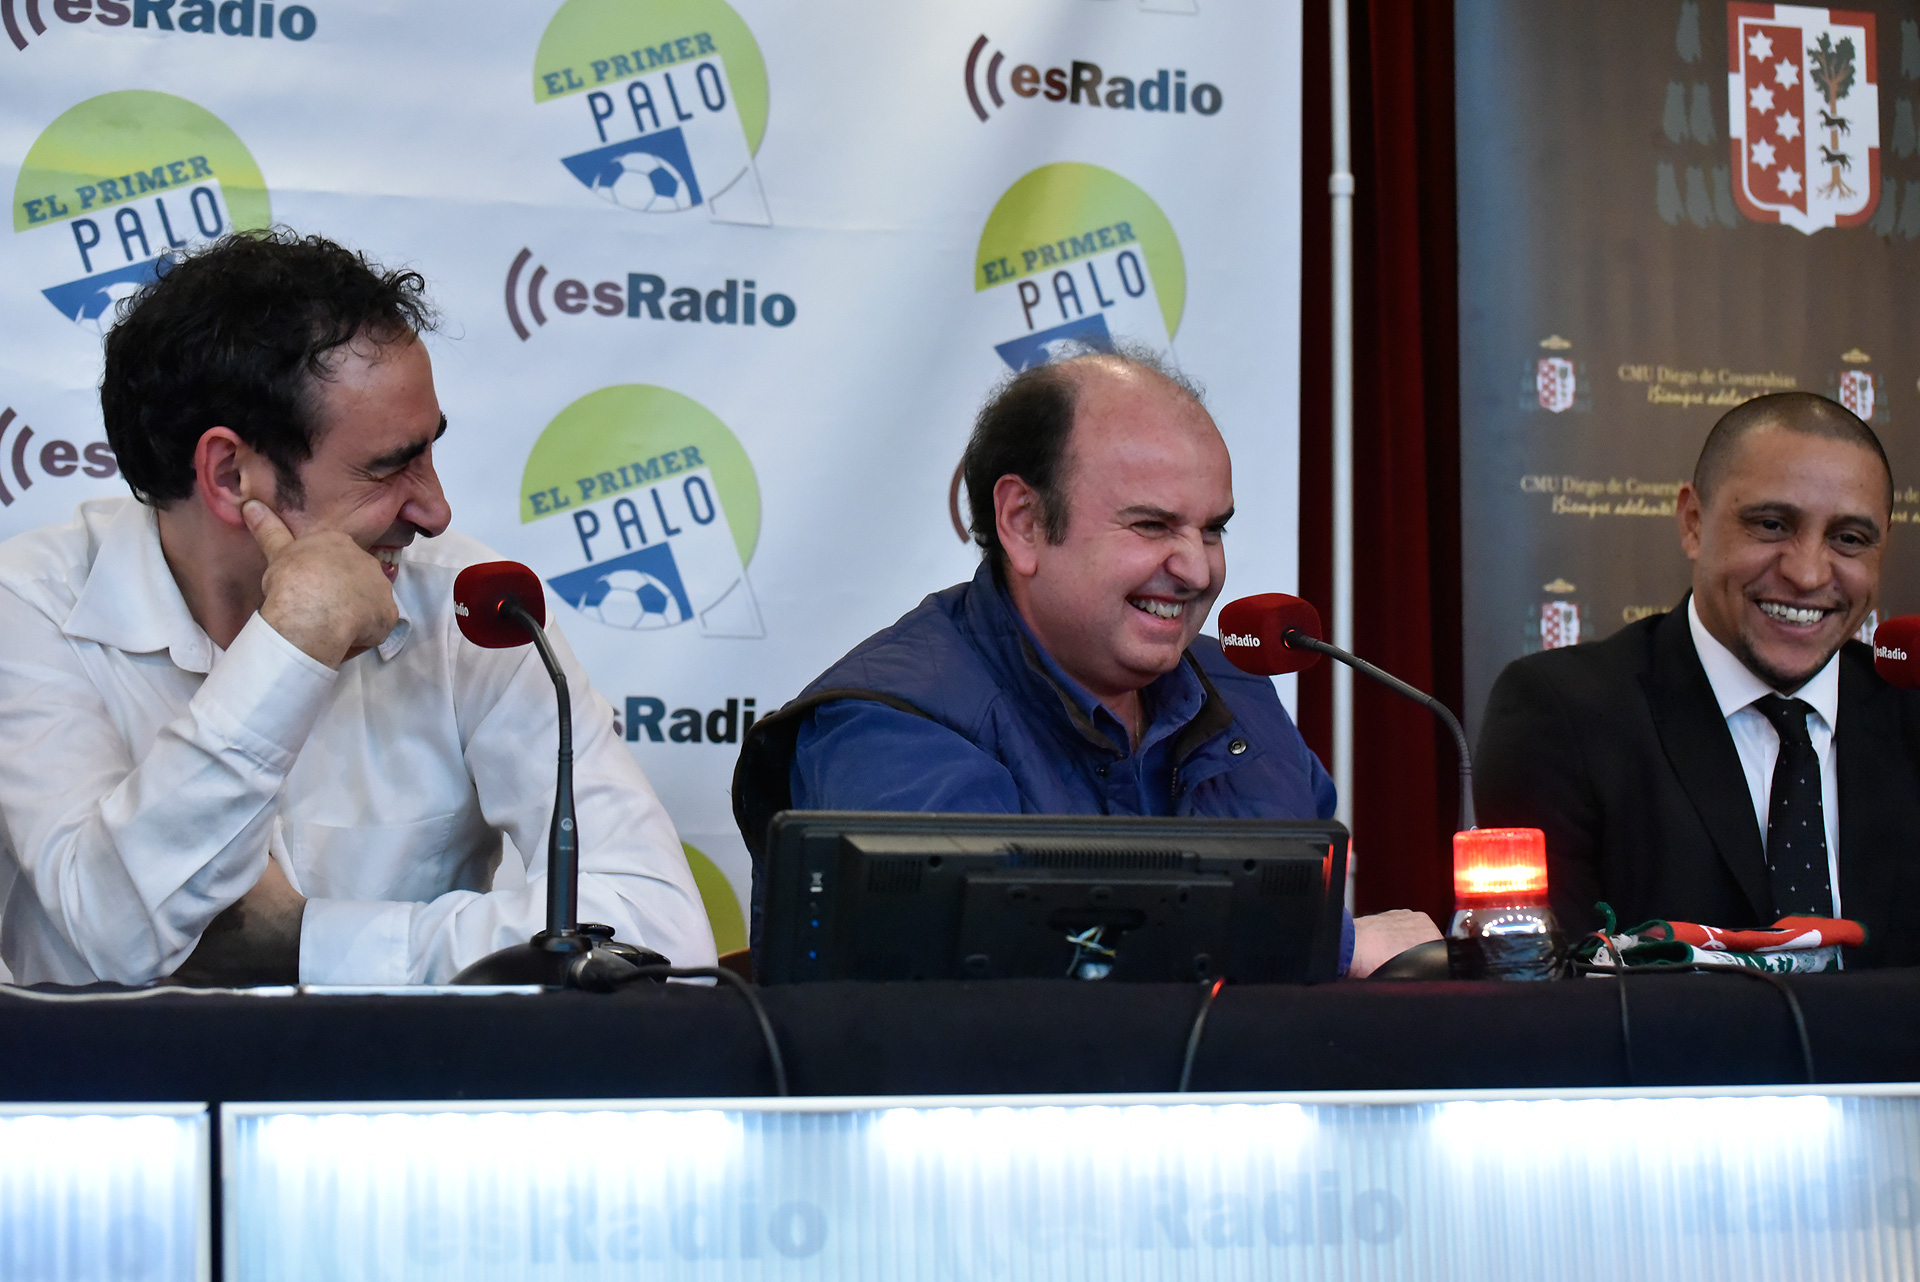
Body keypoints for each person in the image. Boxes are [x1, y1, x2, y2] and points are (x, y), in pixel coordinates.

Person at [0, 230, 715, 987]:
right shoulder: (31, 605)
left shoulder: (469, 601)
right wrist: (293, 643)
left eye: (429, 450)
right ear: (231, 473)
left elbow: (661, 932)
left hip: (398, 1069)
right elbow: (115, 935)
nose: (435, 511)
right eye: (388, 467)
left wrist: (308, 939)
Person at [734, 351, 1438, 975]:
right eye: (1152, 525)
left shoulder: (1238, 692)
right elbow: (1001, 970)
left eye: (1212, 530)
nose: (1198, 571)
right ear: (1024, 523)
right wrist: (1333, 946)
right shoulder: (891, 722)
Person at [1476, 391, 1920, 965]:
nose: (1809, 573)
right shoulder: (1563, 716)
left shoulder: (1907, 707)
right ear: (1693, 522)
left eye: (1849, 539)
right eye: (1772, 524)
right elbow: (1551, 990)